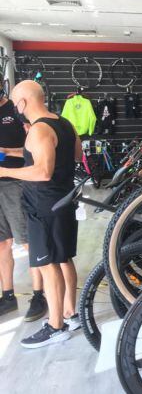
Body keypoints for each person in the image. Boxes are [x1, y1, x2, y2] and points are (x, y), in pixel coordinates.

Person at [0, 81, 81, 348]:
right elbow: (76, 155)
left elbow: (42, 171)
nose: (15, 108)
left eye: (15, 102)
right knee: (62, 259)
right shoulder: (64, 123)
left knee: (48, 266)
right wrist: (9, 152)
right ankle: (71, 312)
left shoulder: (39, 129)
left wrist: (5, 171)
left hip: (44, 206)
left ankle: (56, 325)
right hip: (63, 200)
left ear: (23, 102)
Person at [0, 90, 47, 321]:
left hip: (16, 184)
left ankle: (39, 294)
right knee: (2, 243)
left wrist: (6, 152)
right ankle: (7, 296)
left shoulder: (17, 112)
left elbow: (34, 152)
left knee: (28, 242)